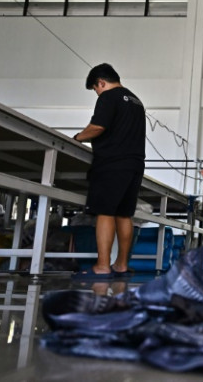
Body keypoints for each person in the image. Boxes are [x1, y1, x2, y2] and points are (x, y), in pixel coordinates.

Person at [72, 63, 146, 280]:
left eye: (96, 89)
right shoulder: (135, 101)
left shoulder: (108, 97)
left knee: (105, 212)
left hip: (112, 163)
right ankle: (121, 265)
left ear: (101, 82)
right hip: (134, 163)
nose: (97, 93)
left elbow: (98, 127)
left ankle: (103, 266)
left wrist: (77, 138)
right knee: (124, 214)